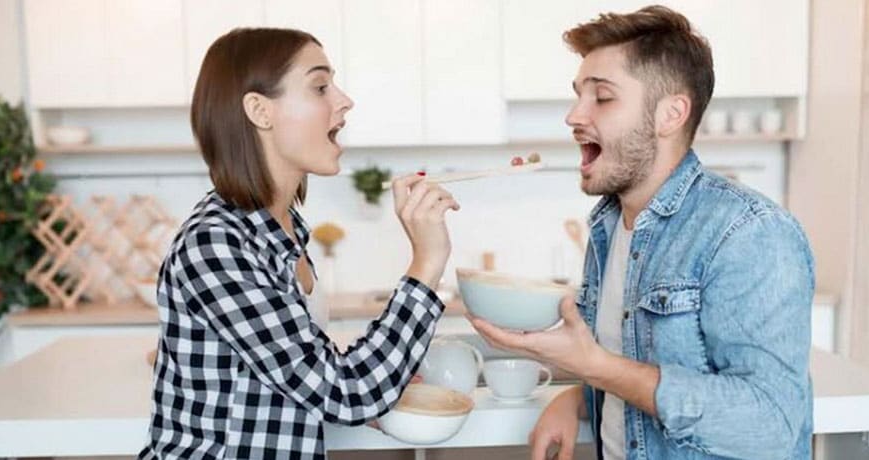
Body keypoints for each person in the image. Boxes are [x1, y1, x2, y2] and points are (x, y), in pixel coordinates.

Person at [469, 6, 814, 460]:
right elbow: (631, 367)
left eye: (602, 97)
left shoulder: (749, 232)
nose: (573, 115)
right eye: (578, 95)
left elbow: (770, 425)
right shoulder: (610, 227)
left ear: (670, 114)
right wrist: (576, 399)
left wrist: (596, 368)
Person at [139, 28, 460, 459]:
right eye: (320, 87)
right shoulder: (215, 245)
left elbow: (313, 375)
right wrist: (427, 261)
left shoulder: (281, 231)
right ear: (260, 111)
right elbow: (347, 392)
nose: (345, 101)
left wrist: (380, 383)